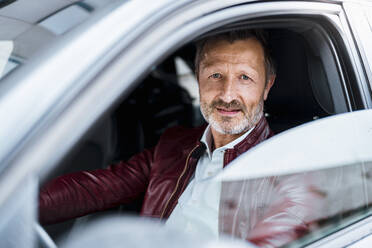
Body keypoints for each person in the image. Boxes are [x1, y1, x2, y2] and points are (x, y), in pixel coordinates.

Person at [39, 30, 316, 247]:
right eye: (215, 75)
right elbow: (95, 189)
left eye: (245, 77)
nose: (228, 94)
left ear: (267, 86)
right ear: (198, 79)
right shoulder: (175, 145)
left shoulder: (291, 169)